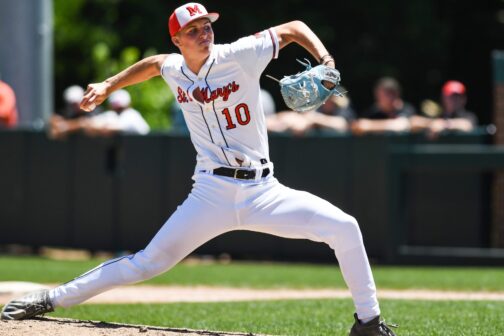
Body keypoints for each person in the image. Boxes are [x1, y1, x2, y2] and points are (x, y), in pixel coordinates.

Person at [1, 3, 397, 335]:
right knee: (146, 263)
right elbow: (155, 64)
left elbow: (294, 28)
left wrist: (325, 60)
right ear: (178, 39)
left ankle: (369, 322)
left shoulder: (240, 53)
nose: (203, 32)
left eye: (206, 25)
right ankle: (50, 299)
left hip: (264, 191)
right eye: (193, 29)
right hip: (210, 194)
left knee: (345, 227)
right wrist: (108, 85)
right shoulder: (176, 68)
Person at [49, 89, 149, 139]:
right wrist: (65, 126)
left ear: (128, 105)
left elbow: (110, 128)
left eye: (120, 107)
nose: (118, 109)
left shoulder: (132, 115)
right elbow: (88, 123)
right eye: (116, 106)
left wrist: (66, 127)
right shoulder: (112, 115)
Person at [266, 88, 355, 135]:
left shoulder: (343, 111)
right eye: (327, 98)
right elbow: (296, 117)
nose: (328, 102)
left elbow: (342, 124)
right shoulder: (319, 108)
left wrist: (312, 119)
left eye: (331, 99)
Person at [410, 80, 478, 138]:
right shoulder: (437, 114)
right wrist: (431, 124)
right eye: (451, 97)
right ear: (443, 98)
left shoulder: (469, 116)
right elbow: (413, 122)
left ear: (464, 99)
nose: (454, 100)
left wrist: (445, 125)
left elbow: (467, 125)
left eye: (458, 96)